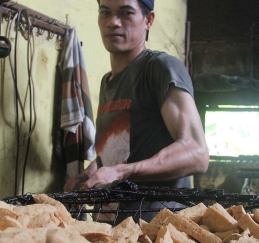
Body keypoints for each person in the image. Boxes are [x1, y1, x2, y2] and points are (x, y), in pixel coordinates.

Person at [63, 0, 209, 196]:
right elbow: (121, 151)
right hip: (112, 222)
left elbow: (197, 154)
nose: (112, 22)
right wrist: (90, 173)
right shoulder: (108, 81)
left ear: (148, 20)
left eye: (126, 13)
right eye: (105, 12)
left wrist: (121, 172)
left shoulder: (161, 68)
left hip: (158, 223)